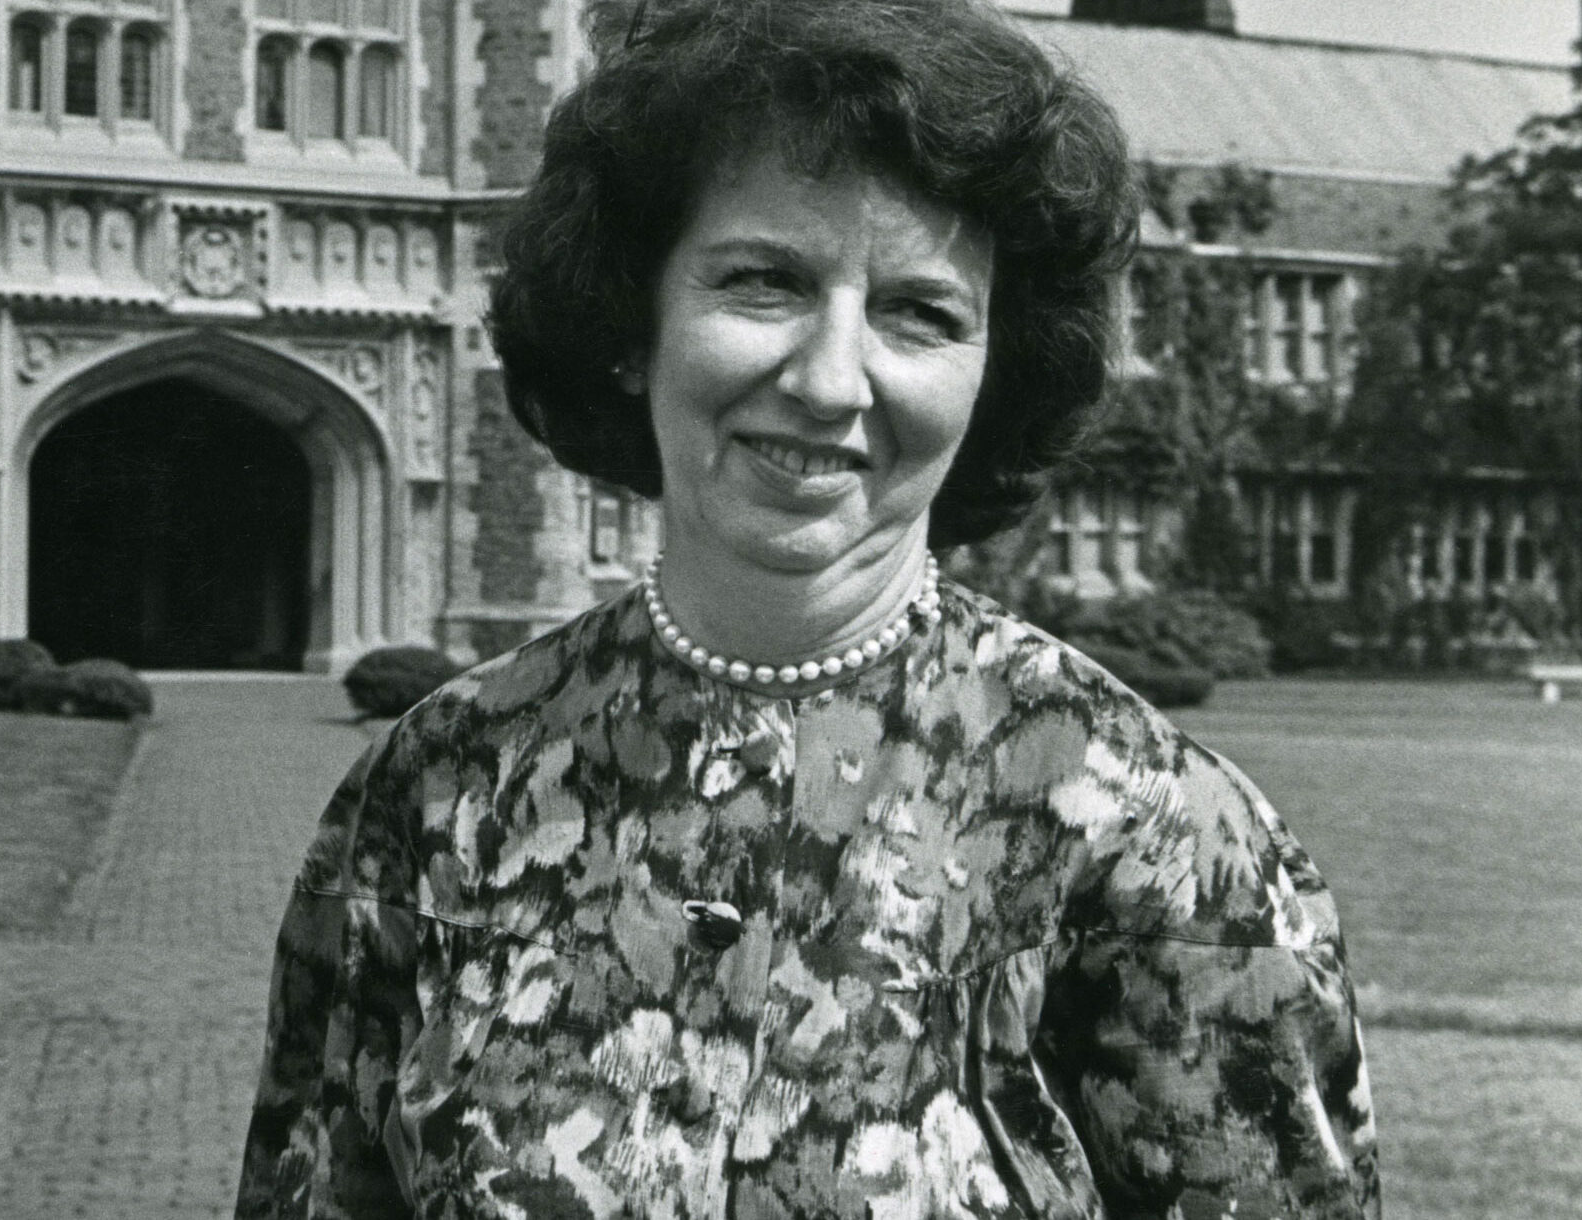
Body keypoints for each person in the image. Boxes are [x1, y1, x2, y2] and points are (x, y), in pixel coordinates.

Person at [235, 0, 1379, 1215]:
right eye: (765, 281)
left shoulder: (1148, 831)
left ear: (991, 374)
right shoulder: (439, 784)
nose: (833, 378)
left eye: (919, 313)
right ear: (634, 322)